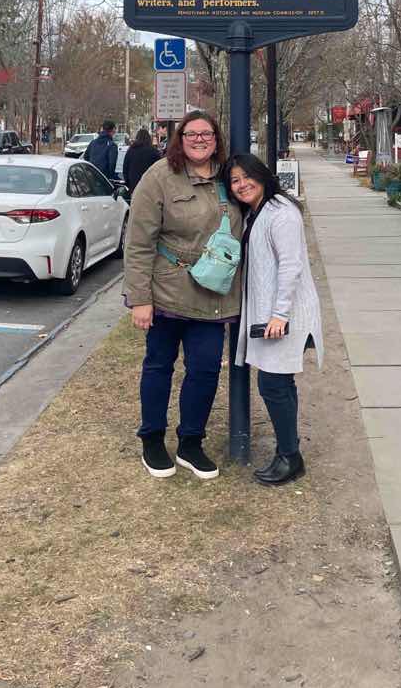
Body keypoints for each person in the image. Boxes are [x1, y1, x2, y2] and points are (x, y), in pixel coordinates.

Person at [123, 111, 242, 481]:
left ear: (216, 139)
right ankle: (152, 439)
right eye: (192, 134)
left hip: (213, 294)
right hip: (167, 293)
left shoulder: (229, 175)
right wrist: (140, 298)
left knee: (205, 369)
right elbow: (138, 242)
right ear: (180, 139)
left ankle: (191, 442)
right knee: (159, 366)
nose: (199, 139)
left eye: (206, 134)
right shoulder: (159, 177)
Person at [224, 154, 323, 487]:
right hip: (269, 314)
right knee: (281, 384)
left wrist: (279, 315)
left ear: (262, 175)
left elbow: (290, 266)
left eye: (247, 177)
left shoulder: (281, 212)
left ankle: (290, 457)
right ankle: (289, 452)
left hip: (285, 314)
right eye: (234, 180)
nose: (242, 185)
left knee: (272, 384)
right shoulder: (257, 212)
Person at [122, 127, 162, 197]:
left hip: (134, 186)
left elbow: (125, 169)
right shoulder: (154, 152)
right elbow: (159, 170)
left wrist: (129, 184)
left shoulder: (131, 151)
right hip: (150, 186)